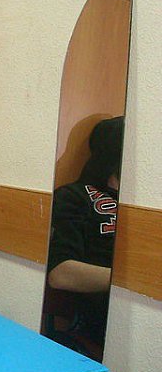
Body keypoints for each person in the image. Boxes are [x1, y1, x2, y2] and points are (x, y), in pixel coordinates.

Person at [45, 116, 124, 352]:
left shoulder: (144, 208)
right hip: (103, 314)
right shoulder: (75, 196)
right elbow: (60, 273)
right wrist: (129, 282)